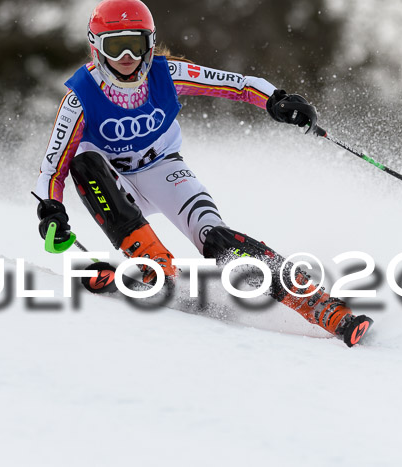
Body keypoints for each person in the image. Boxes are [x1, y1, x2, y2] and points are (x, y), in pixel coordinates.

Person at [34, 0, 372, 347]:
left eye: (134, 45)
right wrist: (51, 211)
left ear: (148, 44)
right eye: (114, 45)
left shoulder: (166, 74)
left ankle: (319, 305)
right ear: (96, 46)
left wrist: (277, 100)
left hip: (164, 170)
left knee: (217, 239)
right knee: (83, 159)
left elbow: (238, 84)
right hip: (116, 185)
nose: (126, 57)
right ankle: (154, 264)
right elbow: (52, 169)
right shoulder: (80, 98)